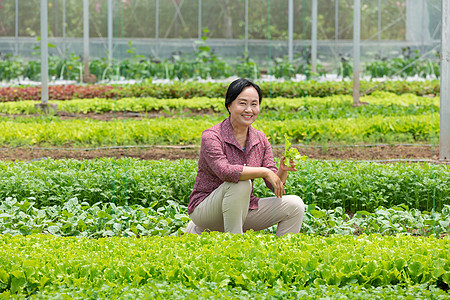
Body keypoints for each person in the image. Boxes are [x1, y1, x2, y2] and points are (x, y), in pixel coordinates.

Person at [185, 78, 305, 237]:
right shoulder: (212, 136)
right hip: (206, 211)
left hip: (242, 208)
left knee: (295, 205)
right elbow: (225, 172)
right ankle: (235, 246)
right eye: (242, 103)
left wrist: (281, 171)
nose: (249, 109)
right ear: (229, 106)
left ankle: (283, 254)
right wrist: (263, 171)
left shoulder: (260, 139)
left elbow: (273, 184)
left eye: (254, 104)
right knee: (240, 184)